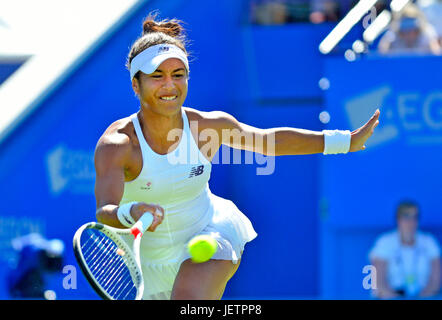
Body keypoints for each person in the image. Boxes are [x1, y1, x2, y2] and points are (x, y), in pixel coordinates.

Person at [94, 13, 380, 300]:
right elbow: (104, 212)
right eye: (157, 76)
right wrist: (130, 212)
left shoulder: (207, 126)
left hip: (208, 235)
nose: (169, 85)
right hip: (149, 266)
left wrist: (346, 141)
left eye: (178, 75)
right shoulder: (117, 145)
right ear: (136, 84)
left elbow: (268, 141)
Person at [369, 200, 441, 299]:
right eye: (406, 217)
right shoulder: (385, 242)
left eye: (415, 217)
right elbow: (378, 282)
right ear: (398, 219)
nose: (411, 222)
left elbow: (435, 282)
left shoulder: (429, 242)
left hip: (424, 296)